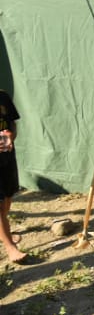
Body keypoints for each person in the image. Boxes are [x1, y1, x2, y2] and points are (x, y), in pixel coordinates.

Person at [1, 88, 28, 264]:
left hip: (7, 159)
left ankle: (4, 231)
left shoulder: (3, 96)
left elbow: (12, 124)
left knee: (8, 198)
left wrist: (11, 136)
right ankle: (10, 247)